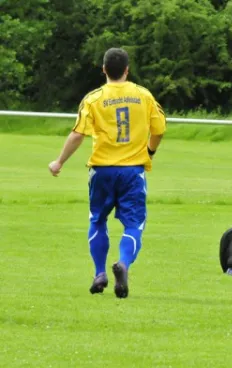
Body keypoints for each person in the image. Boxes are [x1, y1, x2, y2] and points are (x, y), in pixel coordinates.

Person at [48, 48, 166, 299]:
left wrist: (59, 162)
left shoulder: (93, 98)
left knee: (97, 220)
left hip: (101, 170)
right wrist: (150, 152)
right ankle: (123, 263)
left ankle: (100, 272)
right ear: (127, 69)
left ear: (103, 69)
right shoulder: (143, 95)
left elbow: (78, 134)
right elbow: (159, 129)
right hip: (133, 172)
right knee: (134, 225)